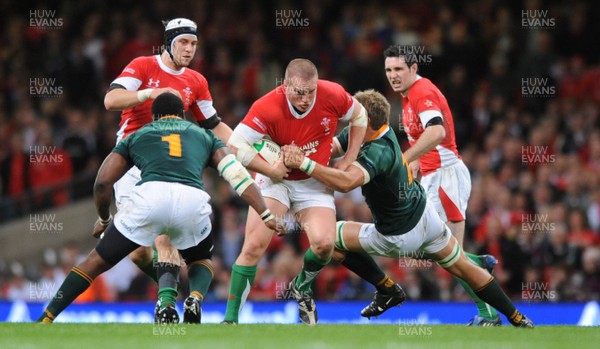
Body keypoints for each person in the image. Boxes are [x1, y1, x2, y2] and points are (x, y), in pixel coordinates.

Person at [282, 89, 534, 328]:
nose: (348, 119)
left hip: (400, 234)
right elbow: (332, 148)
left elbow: (347, 183)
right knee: (462, 267)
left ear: (365, 119)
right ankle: (517, 317)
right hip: (427, 217)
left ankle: (387, 288)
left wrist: (303, 163)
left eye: (353, 115)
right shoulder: (374, 130)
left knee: (330, 238)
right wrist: (299, 150)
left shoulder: (378, 152)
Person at [37, 93, 282, 324]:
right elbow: (238, 176)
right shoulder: (205, 136)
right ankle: (194, 298)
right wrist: (265, 213)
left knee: (95, 262)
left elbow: (102, 181)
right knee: (201, 259)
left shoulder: (139, 134)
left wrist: (103, 218)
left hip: (149, 199)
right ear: (182, 115)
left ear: (155, 117)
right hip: (192, 200)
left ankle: (47, 316)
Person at [103, 18, 233, 323]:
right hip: (131, 164)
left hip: (167, 166)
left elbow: (213, 124)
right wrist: (146, 95)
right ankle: (173, 290)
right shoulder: (143, 66)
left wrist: (248, 147)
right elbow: (111, 99)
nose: (189, 49)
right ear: (168, 43)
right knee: (137, 253)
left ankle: (166, 305)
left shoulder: (197, 81)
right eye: (183, 43)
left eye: (194, 44)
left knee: (163, 239)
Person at [222, 58, 368, 325]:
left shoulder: (332, 94)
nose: (305, 98)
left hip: (314, 180)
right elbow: (234, 146)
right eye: (299, 92)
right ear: (286, 85)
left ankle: (301, 287)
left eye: (310, 91)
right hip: (276, 179)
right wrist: (270, 171)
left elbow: (360, 115)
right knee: (254, 246)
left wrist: (350, 158)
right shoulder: (267, 106)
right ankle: (230, 320)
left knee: (324, 245)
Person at [383, 44, 501, 325]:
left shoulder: (422, 92)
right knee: (429, 250)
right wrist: (412, 168)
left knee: (444, 255)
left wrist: (402, 159)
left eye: (399, 69)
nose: (393, 75)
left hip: (447, 178)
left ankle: (489, 314)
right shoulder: (407, 96)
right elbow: (419, 143)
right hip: (433, 178)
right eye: (388, 69)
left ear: (414, 68)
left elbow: (437, 131)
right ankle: (477, 262)